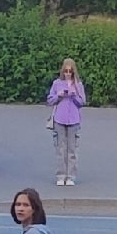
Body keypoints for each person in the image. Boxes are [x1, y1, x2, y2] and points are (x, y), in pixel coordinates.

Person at [46, 59, 87, 187]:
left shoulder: (78, 85)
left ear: (74, 72)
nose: (68, 73)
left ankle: (70, 176)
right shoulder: (57, 83)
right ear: (62, 71)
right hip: (59, 119)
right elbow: (50, 100)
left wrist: (74, 95)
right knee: (60, 149)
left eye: (70, 71)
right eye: (66, 71)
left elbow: (82, 102)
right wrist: (59, 95)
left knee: (72, 149)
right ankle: (61, 175)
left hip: (74, 120)